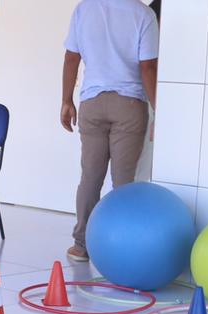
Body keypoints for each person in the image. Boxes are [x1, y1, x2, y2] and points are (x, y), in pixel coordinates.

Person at [60, 0, 158, 261]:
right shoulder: (143, 14)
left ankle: (81, 245)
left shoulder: (84, 9)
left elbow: (71, 57)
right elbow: (148, 67)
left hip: (92, 103)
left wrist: (66, 100)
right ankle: (121, 245)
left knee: (90, 177)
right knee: (123, 181)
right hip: (129, 105)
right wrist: (159, 110)